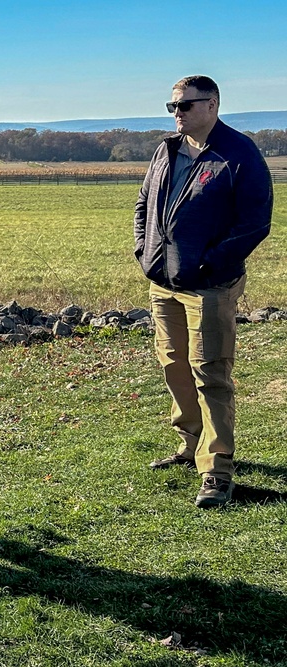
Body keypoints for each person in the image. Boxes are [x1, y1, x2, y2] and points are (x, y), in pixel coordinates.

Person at [135, 76, 273, 508]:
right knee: (173, 365)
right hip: (163, 282)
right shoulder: (167, 149)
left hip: (210, 286)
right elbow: (144, 203)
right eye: (172, 106)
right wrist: (145, 252)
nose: (177, 113)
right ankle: (190, 442)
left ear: (212, 105)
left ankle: (217, 471)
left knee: (210, 372)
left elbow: (254, 222)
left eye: (185, 106)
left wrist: (210, 263)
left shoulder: (238, 154)